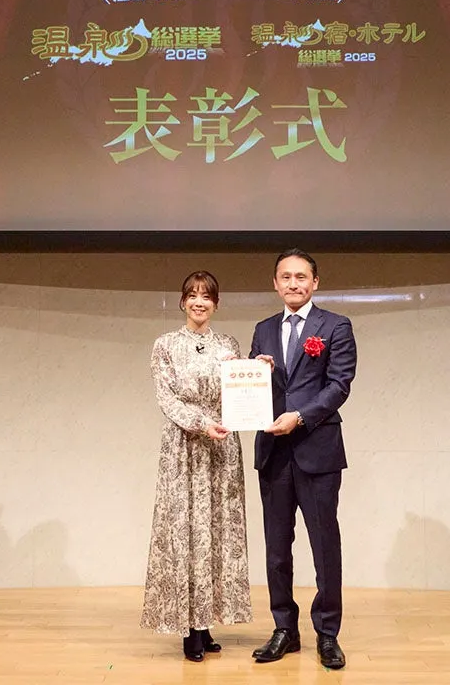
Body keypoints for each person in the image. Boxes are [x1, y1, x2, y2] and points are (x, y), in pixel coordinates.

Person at [248, 249, 357, 670]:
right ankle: (284, 629)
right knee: (277, 549)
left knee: (324, 546)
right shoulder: (263, 329)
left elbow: (339, 385)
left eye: (301, 277)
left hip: (318, 449)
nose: (293, 283)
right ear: (275, 283)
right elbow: (255, 390)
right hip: (273, 452)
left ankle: (327, 633)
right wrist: (255, 373)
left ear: (315, 283)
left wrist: (301, 416)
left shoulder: (335, 326)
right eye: (285, 277)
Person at [140, 270, 252, 662]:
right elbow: (166, 398)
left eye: (206, 296)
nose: (199, 302)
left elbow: (240, 389)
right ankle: (188, 628)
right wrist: (201, 423)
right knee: (185, 530)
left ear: (216, 303)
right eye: (192, 295)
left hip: (222, 446)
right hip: (184, 445)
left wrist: (258, 371)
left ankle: (206, 623)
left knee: (216, 531)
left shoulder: (228, 344)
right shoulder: (166, 345)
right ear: (182, 301)